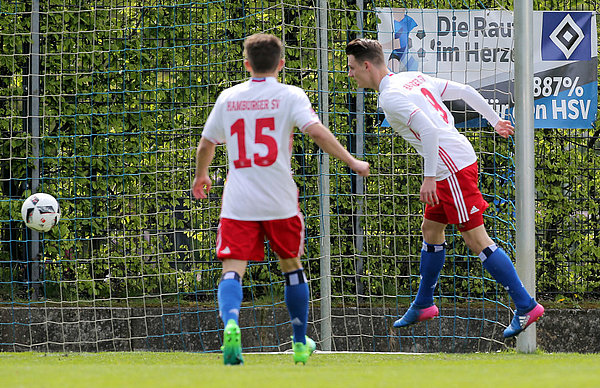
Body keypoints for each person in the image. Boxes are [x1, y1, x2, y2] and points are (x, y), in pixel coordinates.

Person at [345, 38, 543, 339]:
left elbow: (428, 130)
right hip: (450, 165)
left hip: (451, 170)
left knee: (477, 240)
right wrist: (494, 121)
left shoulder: (390, 97)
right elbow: (464, 91)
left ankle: (526, 305)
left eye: (351, 67)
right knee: (430, 229)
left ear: (367, 65)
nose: (350, 74)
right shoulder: (411, 78)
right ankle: (424, 303)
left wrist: (428, 177)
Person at [193, 33, 370, 365]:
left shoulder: (228, 97)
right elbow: (316, 131)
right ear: (282, 64)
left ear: (247, 64)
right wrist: (352, 161)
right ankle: (300, 341)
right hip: (280, 200)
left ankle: (231, 323)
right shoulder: (291, 95)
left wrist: (202, 174)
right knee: (292, 267)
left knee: (232, 269)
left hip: (238, 200)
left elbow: (206, 145)